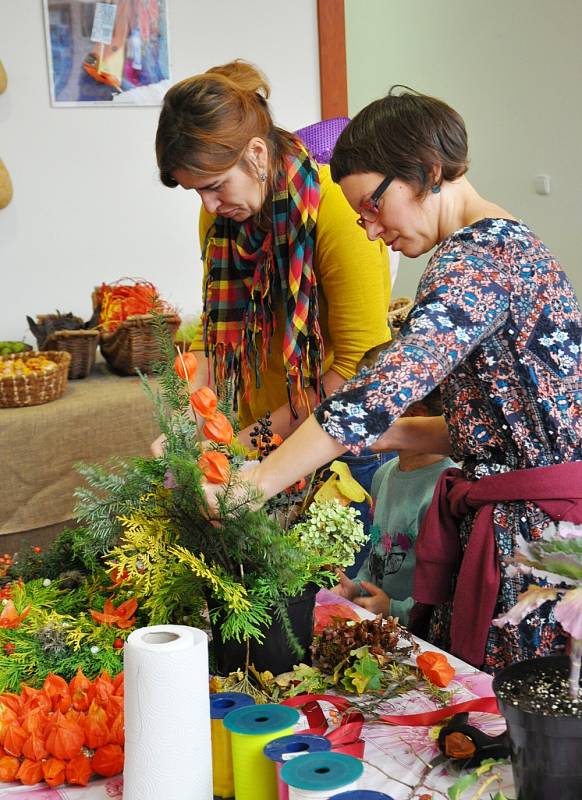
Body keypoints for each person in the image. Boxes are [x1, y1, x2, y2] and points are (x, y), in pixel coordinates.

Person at [205, 86, 582, 673]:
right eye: (359, 216)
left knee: (516, 730)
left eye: (374, 206)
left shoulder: (476, 259)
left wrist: (254, 484)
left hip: (536, 543)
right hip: (529, 522)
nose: (371, 230)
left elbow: (374, 394)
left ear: (429, 174)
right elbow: (505, 432)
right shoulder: (503, 244)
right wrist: (394, 436)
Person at [153, 60, 393, 452]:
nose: (209, 205)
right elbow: (214, 336)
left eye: (215, 186)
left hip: (339, 445)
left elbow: (358, 370)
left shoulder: (336, 210)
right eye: (195, 191)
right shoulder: (224, 217)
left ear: (257, 154)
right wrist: (183, 419)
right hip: (262, 432)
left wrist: (242, 446)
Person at [334, 387, 456, 625]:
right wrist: (357, 588)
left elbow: (443, 590)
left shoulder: (446, 489)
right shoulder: (384, 473)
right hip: (377, 621)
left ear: (416, 414)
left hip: (415, 634)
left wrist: (394, 609)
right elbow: (377, 554)